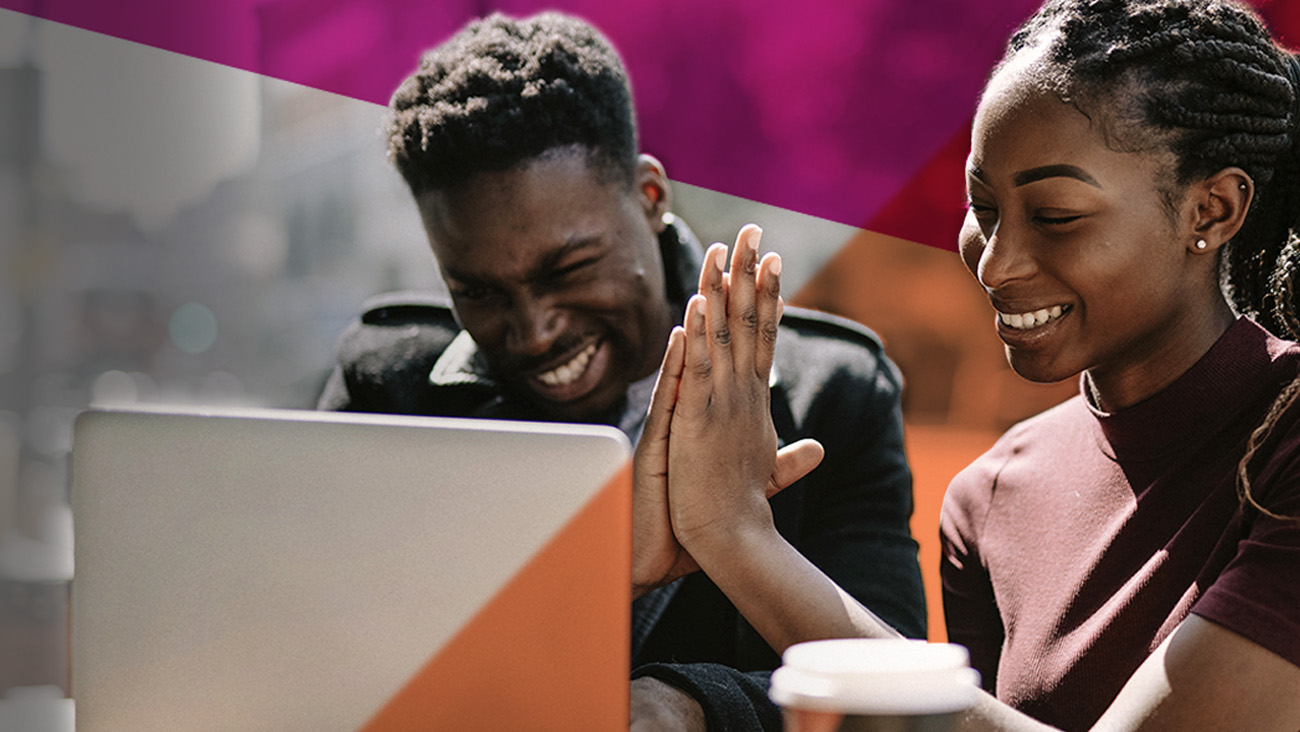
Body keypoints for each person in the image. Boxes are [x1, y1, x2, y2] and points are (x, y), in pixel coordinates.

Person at [640, 0, 1300, 730]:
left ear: (1210, 210)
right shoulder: (988, 499)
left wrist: (738, 537)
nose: (996, 262)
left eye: (1055, 216)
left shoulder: (1286, 442)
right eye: (981, 206)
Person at [315, 11, 926, 729]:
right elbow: (326, 670)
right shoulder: (388, 392)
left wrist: (694, 705)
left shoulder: (833, 396)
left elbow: (898, 690)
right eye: (478, 292)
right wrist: (599, 573)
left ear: (650, 196)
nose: (535, 331)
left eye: (569, 268)